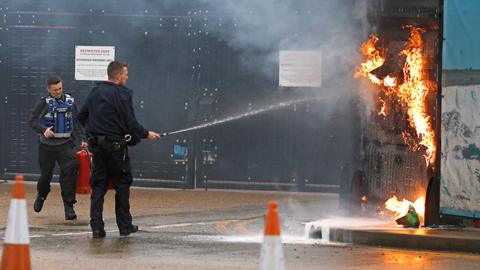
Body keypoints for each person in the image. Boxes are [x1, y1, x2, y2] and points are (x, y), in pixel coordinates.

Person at [77, 61, 160, 238]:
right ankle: (124, 226)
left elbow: (81, 116)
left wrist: (92, 134)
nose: (127, 77)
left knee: (98, 186)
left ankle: (97, 228)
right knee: (122, 184)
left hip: (97, 149)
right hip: (116, 150)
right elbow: (131, 123)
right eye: (126, 74)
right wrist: (147, 134)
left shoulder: (95, 91)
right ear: (118, 76)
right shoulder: (122, 94)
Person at [28, 74, 84, 220]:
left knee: (69, 172)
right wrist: (43, 130)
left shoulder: (70, 102)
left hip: (65, 145)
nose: (58, 92)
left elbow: (76, 123)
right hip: (47, 146)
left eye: (60, 89)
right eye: (55, 90)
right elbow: (32, 120)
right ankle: (41, 195)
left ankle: (69, 206)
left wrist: (83, 140)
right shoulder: (44, 103)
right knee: (46, 176)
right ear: (49, 89)